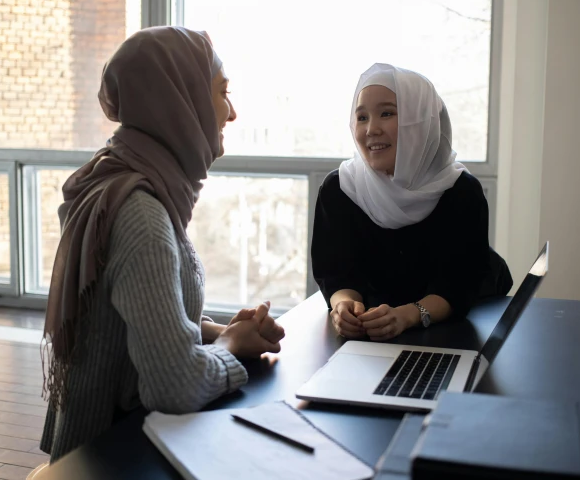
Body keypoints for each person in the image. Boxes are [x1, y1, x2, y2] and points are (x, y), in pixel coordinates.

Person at [39, 27, 285, 462]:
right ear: (180, 97)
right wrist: (233, 347)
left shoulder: (125, 178)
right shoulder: (140, 212)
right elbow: (172, 385)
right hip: (113, 459)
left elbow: (126, 325)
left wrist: (218, 331)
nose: (231, 112)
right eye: (222, 92)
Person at [312, 63, 512, 342]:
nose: (371, 129)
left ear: (420, 121)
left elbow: (457, 285)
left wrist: (408, 315)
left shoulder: (461, 191)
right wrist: (343, 305)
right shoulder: (340, 189)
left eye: (387, 113)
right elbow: (336, 272)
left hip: (449, 332)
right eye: (361, 117)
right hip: (368, 341)